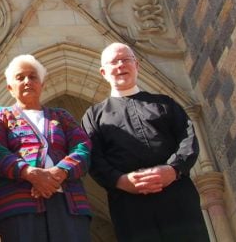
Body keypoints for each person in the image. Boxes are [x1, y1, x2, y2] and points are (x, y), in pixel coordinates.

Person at [82, 43, 209, 242]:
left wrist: (173, 169)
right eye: (114, 62)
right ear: (103, 71)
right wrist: (121, 180)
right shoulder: (93, 116)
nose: (120, 65)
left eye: (126, 60)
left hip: (176, 194)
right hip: (129, 203)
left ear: (137, 65)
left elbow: (188, 139)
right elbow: (93, 157)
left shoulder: (165, 103)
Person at [0, 54, 92, 241]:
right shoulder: (0, 115)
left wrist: (61, 171)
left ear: (42, 84)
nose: (27, 81)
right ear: (10, 88)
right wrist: (29, 172)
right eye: (20, 78)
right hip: (19, 206)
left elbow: (83, 147)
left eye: (33, 77)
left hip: (68, 203)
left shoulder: (61, 115)